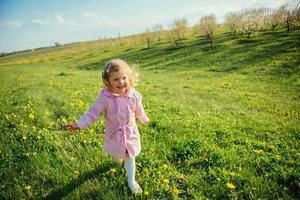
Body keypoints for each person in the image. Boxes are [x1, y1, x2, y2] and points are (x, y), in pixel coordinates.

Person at [65, 58, 150, 194]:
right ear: (108, 82)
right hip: (114, 132)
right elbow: (92, 113)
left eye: (124, 78)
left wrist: (143, 118)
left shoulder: (134, 95)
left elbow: (138, 108)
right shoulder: (105, 99)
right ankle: (118, 157)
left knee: (130, 155)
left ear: (129, 77)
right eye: (116, 79)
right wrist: (80, 124)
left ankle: (131, 181)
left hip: (129, 130)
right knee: (117, 151)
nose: (121, 82)